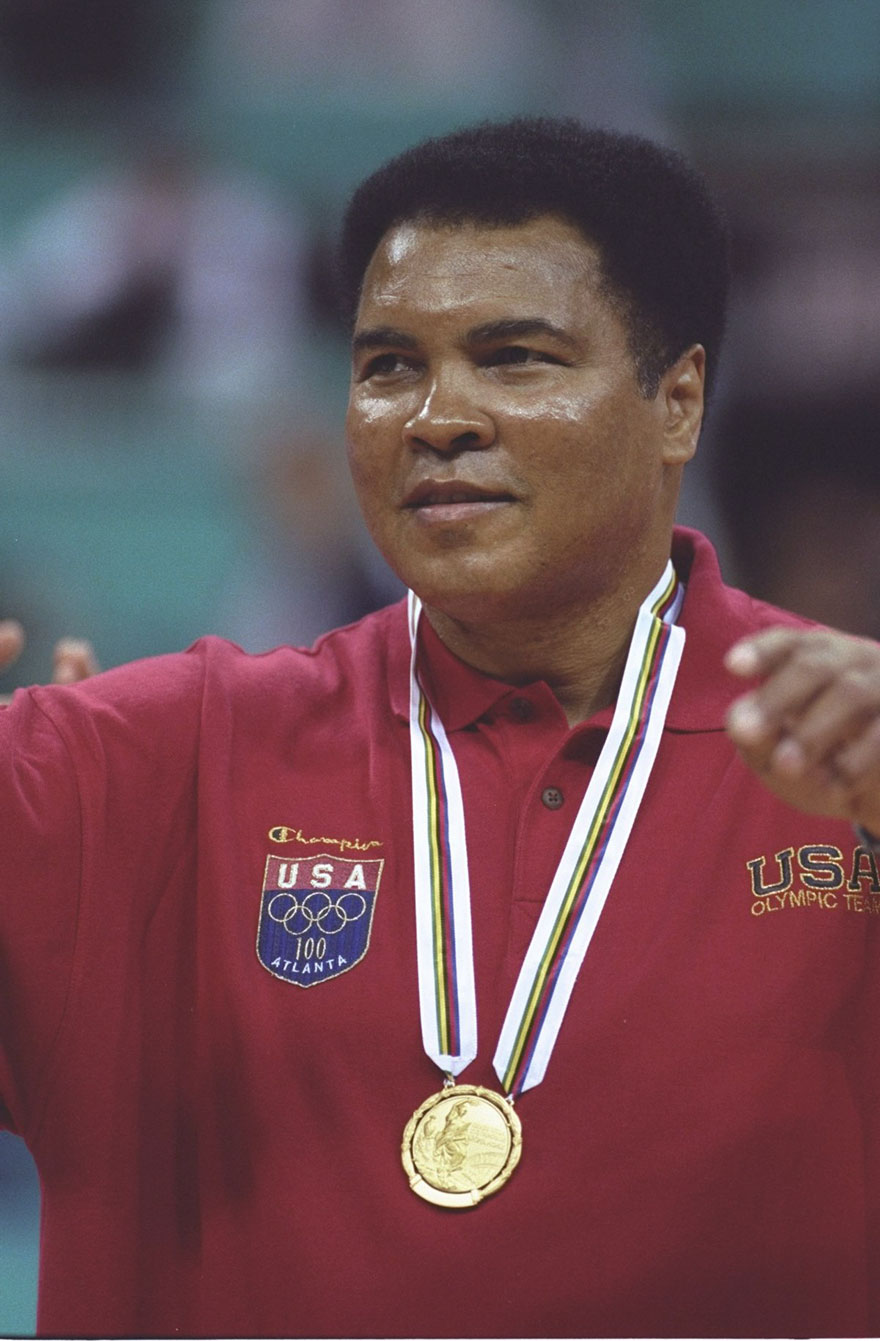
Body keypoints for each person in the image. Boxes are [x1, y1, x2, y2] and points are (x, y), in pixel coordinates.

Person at [1, 116, 879, 1339]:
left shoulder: (847, 759)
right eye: (386, 366)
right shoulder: (159, 762)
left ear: (676, 401)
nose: (435, 416)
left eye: (513, 358)